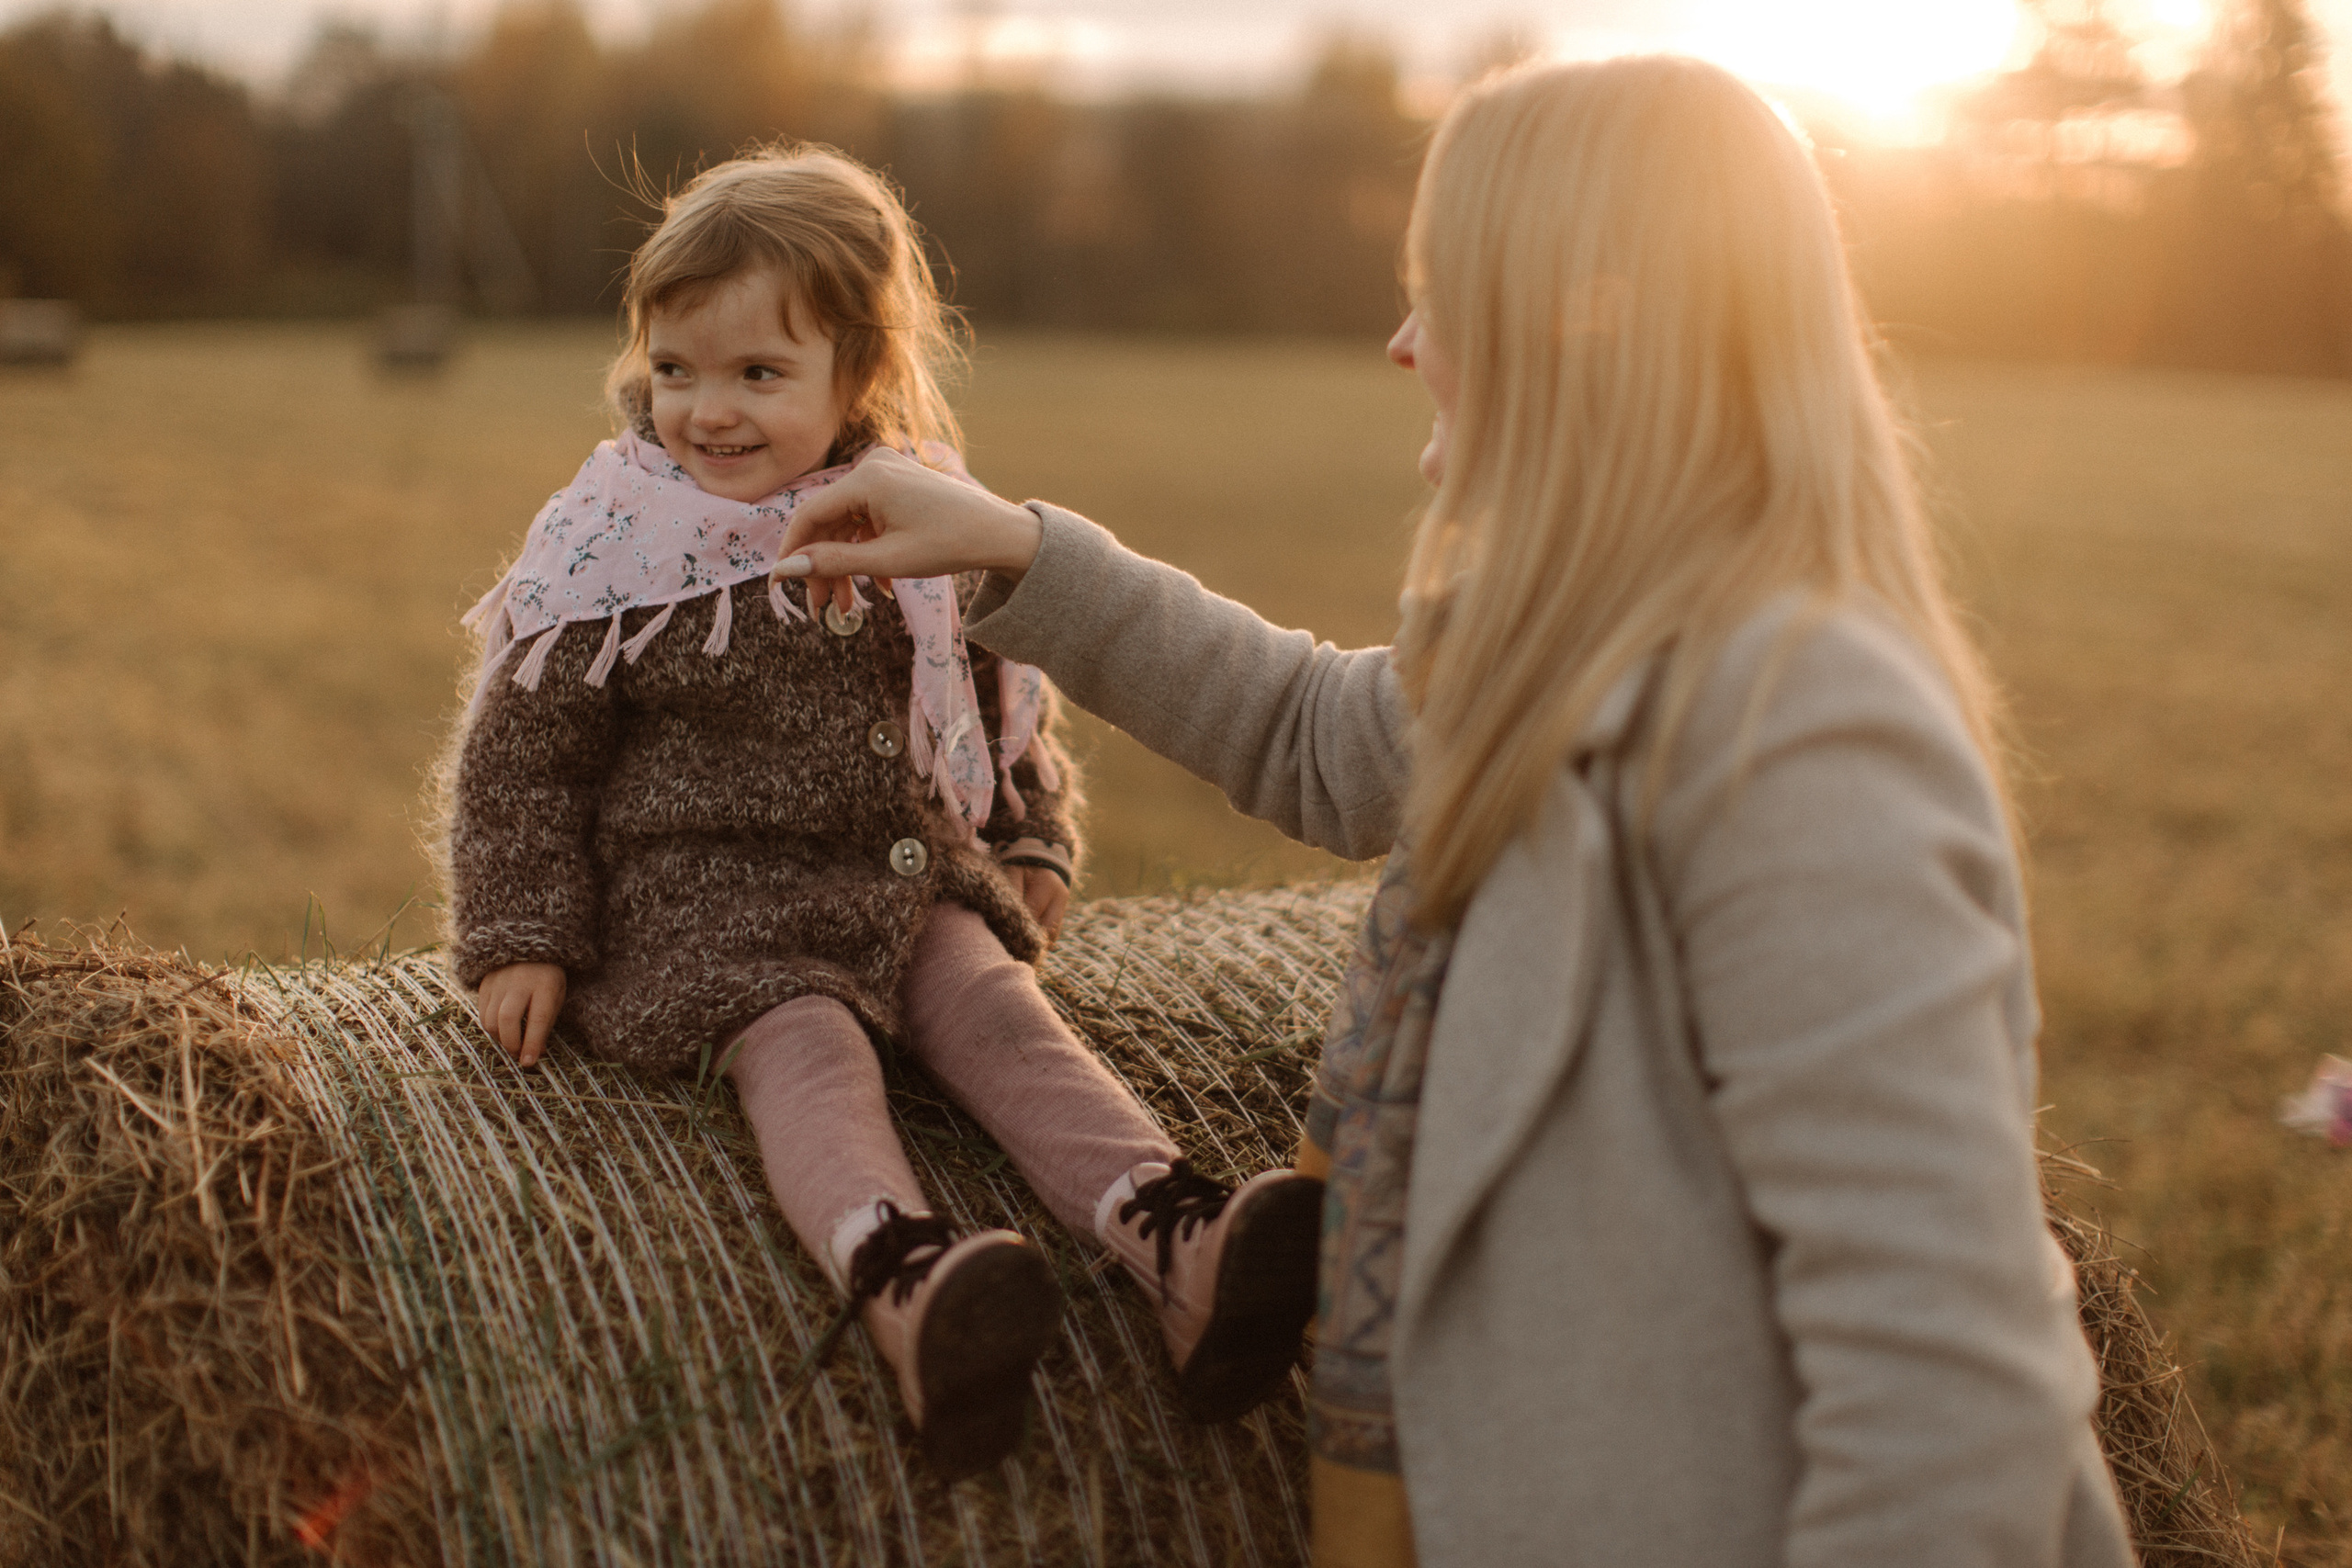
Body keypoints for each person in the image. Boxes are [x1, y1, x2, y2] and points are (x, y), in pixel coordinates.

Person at [765, 58, 2139, 1568]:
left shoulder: (1802, 737)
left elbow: (1948, 1402)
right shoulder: (1561, 643)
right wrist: (1013, 555)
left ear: (1586, 316)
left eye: (1443, 291)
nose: (1404, 342)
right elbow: (1315, 733)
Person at [442, 146, 1323, 1482]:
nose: (706, 412)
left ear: (855, 373)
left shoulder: (910, 508)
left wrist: (1027, 831)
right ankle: (907, 1284)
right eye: (675, 369)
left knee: (1004, 1014)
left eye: (759, 373)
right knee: (811, 1054)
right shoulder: (611, 542)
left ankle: (1176, 1237)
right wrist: (520, 934)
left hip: (907, 881)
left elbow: (986, 688)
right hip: (712, 925)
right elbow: (521, 759)